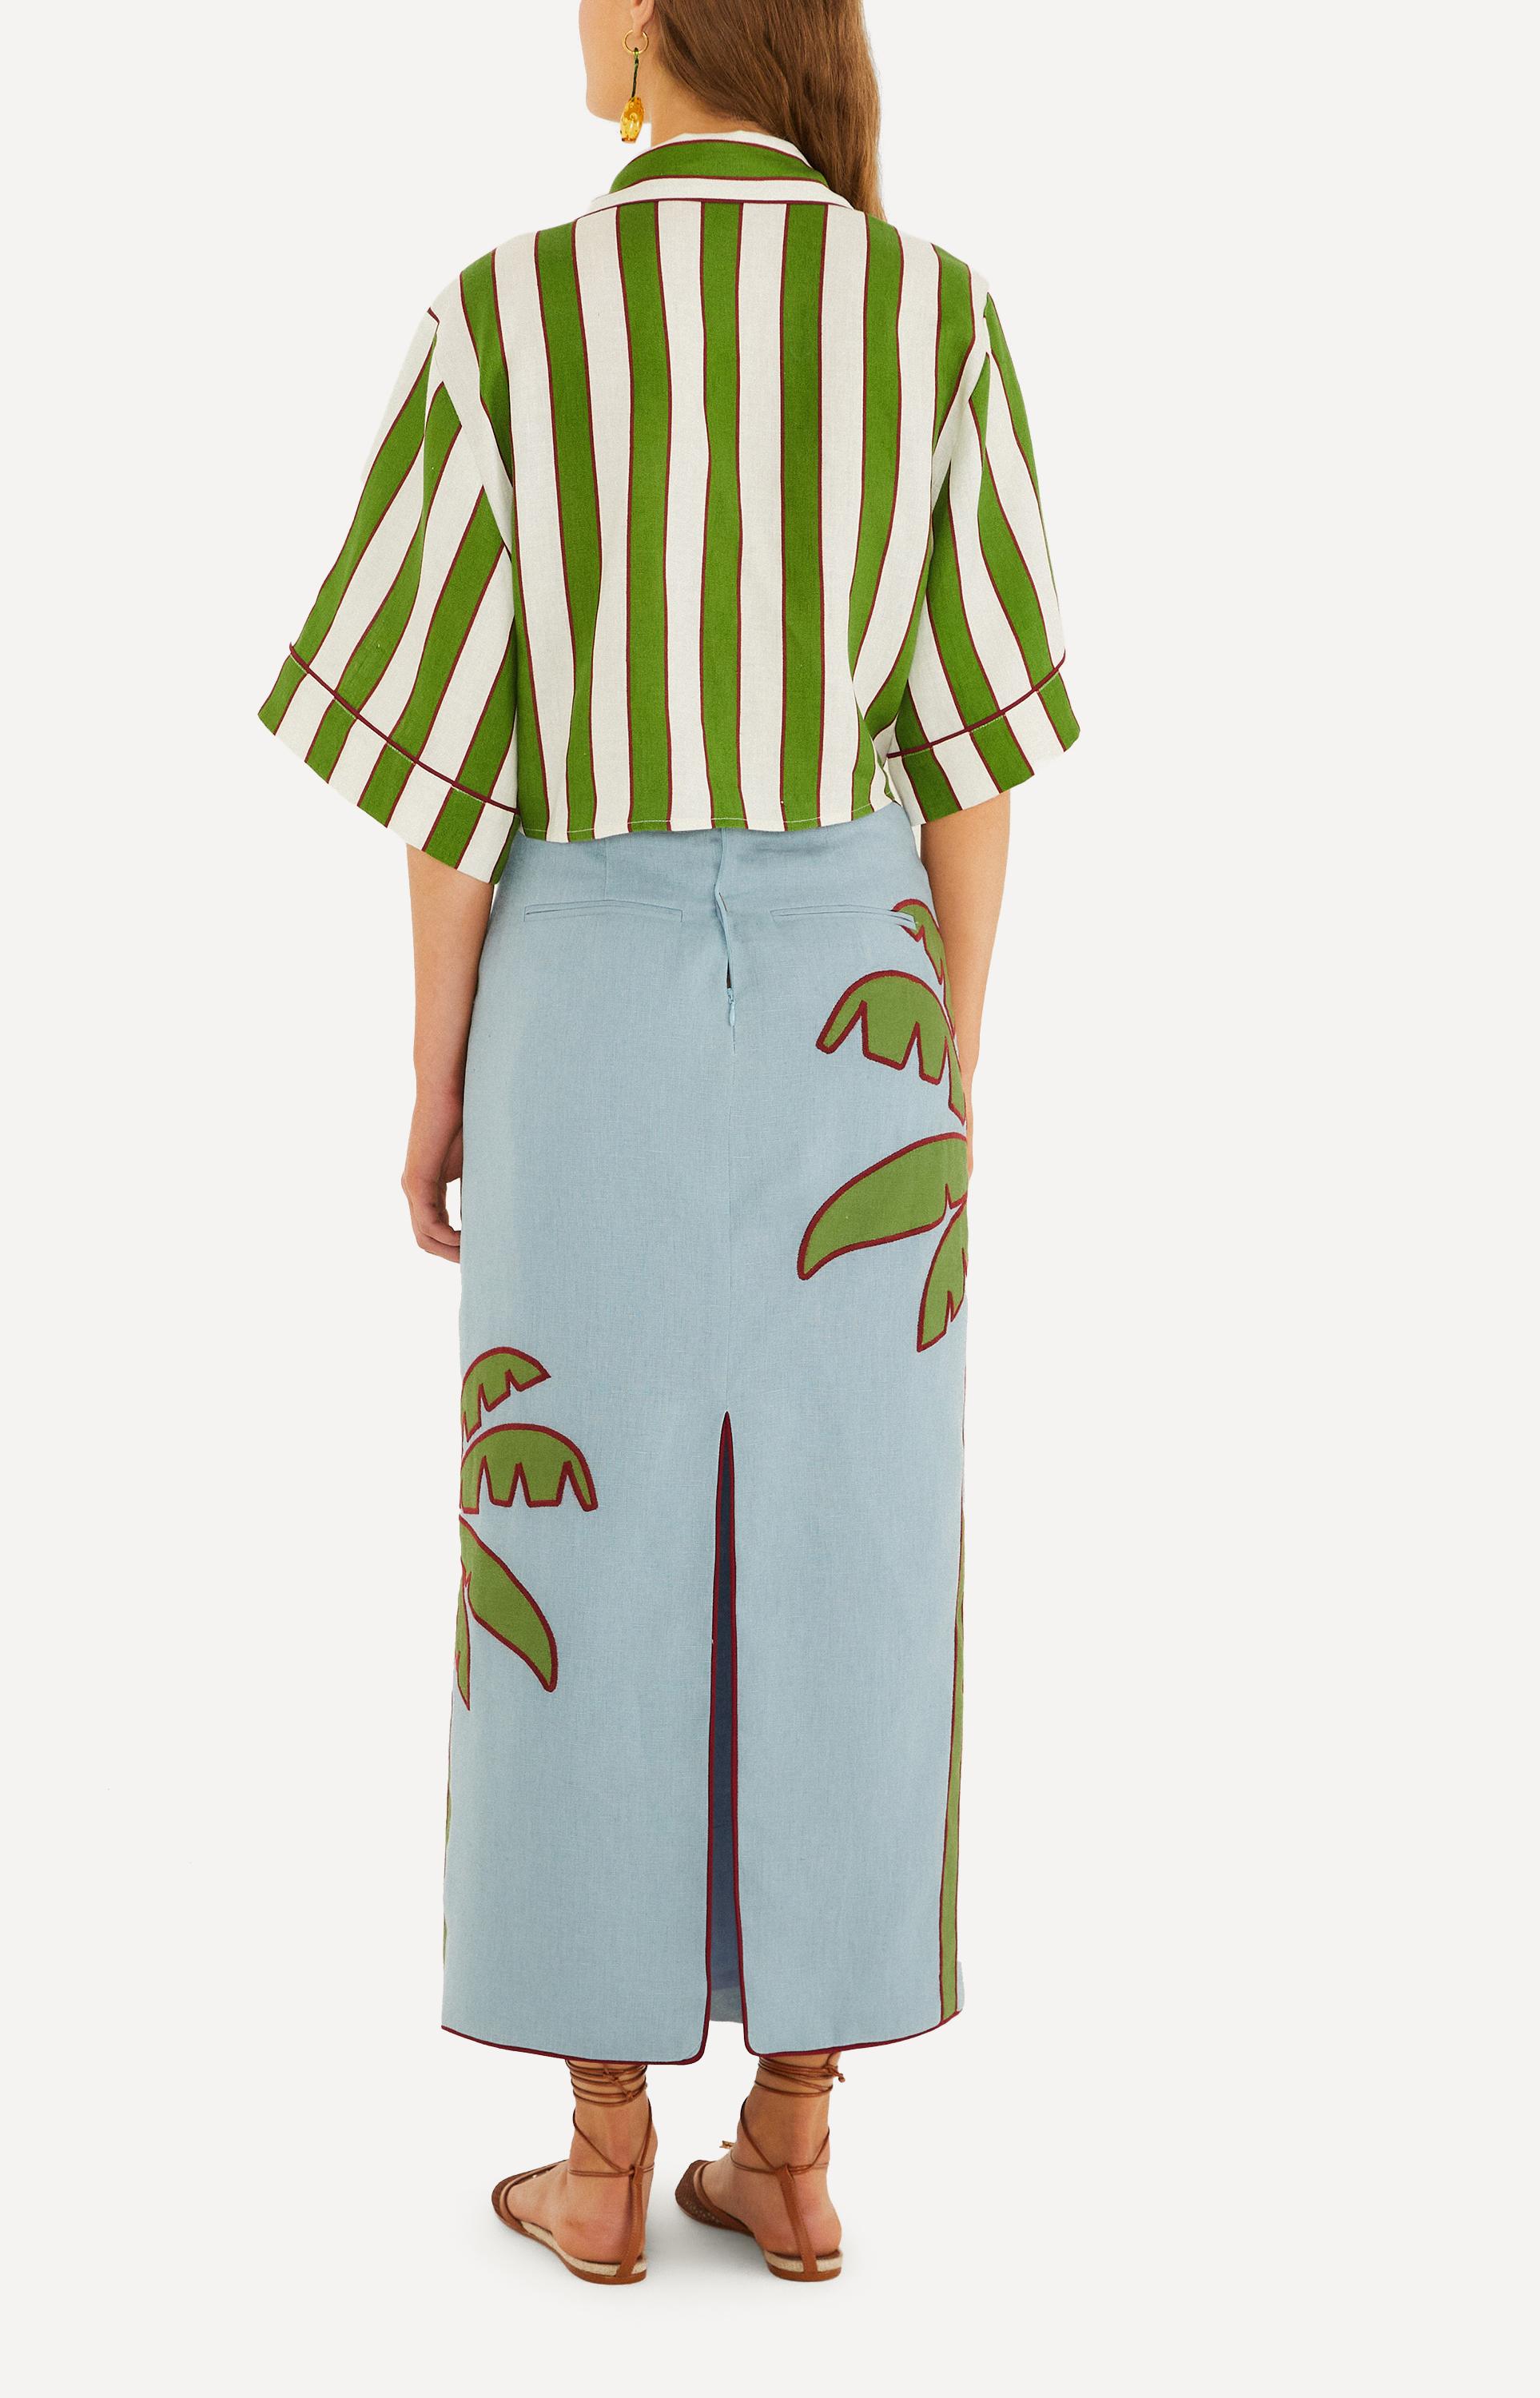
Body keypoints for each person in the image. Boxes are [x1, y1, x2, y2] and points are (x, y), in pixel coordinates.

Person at [257, 0, 1077, 2285]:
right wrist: (946, 1065)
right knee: (849, 1522)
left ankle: (605, 2147)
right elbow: (971, 763)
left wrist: (437, 1071)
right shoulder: (929, 313)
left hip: (587, 982)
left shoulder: (505, 316)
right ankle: (792, 2139)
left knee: (576, 1519)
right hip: (853, 997)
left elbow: (450, 780)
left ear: (652, 16)